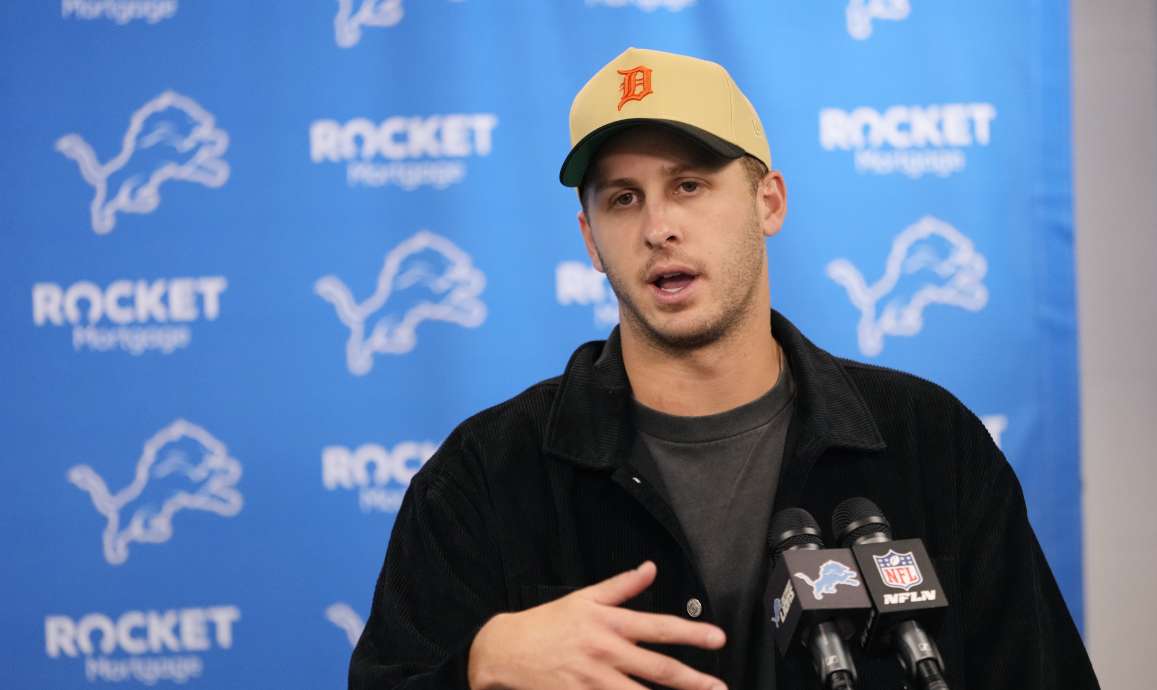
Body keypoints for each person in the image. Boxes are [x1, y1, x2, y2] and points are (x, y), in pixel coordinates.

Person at [349, 47, 1099, 690]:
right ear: (589, 238)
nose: (657, 227)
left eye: (689, 185)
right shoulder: (485, 476)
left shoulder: (929, 443)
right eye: (621, 198)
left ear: (768, 200)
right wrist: (478, 664)